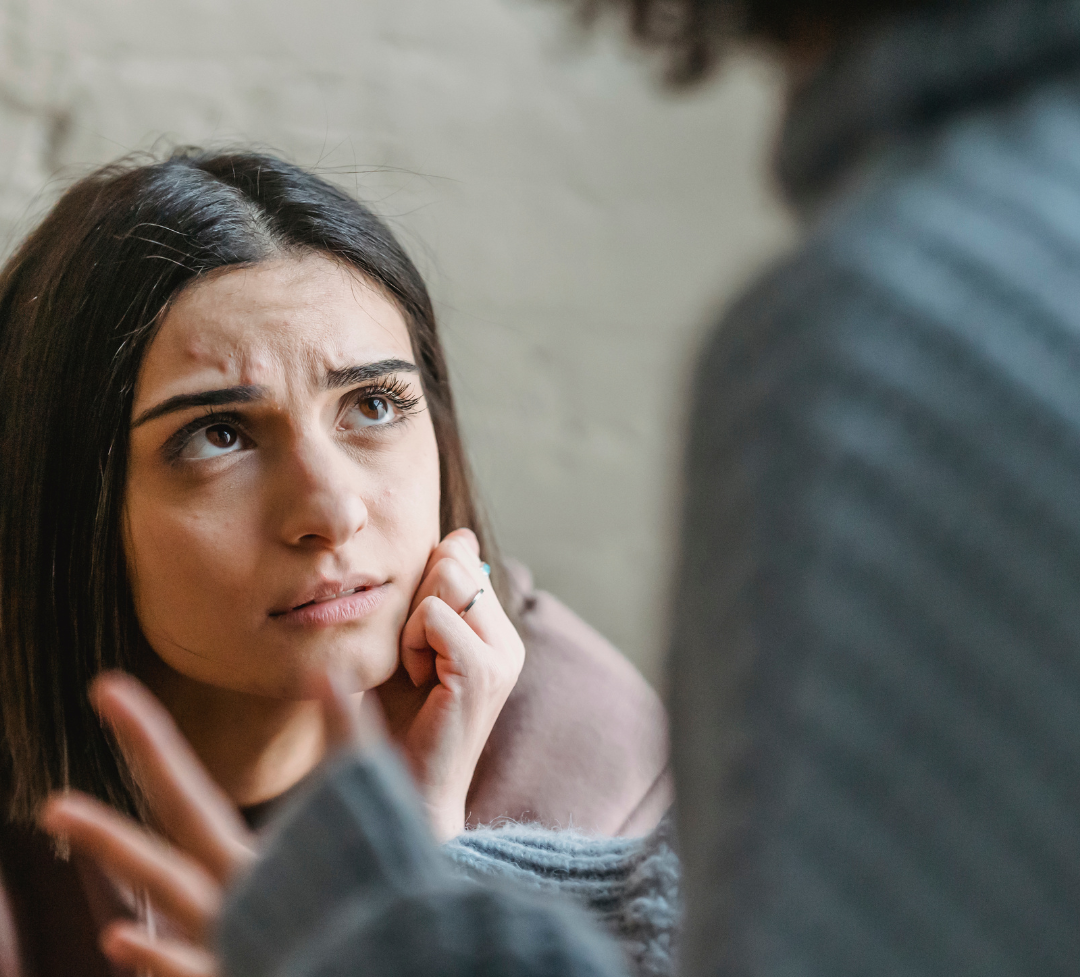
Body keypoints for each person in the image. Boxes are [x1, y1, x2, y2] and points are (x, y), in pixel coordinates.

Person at [0, 150, 671, 977]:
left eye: (374, 404)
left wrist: (427, 870)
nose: (332, 511)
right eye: (219, 434)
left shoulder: (583, 752)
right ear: (67, 500)